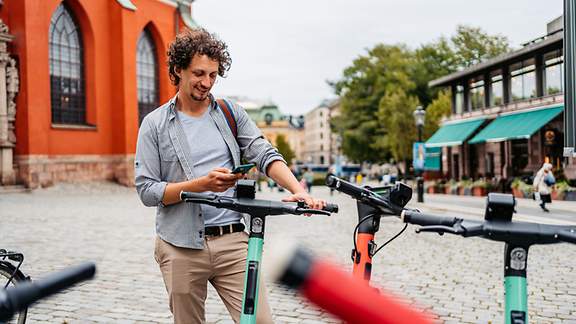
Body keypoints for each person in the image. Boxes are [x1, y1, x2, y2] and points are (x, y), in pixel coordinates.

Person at [134, 28, 325, 324]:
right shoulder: (155, 124)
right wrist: (201, 185)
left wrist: (297, 188)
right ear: (177, 70)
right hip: (180, 245)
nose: (206, 83)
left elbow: (264, 153)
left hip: (233, 241)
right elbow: (147, 191)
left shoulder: (229, 112)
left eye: (213, 75)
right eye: (199, 73)